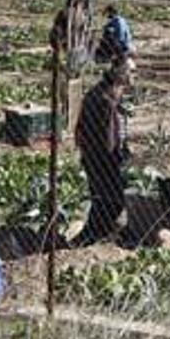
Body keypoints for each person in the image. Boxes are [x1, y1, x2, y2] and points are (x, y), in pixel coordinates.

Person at [72, 66, 132, 246]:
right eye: (132, 72)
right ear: (120, 80)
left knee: (102, 197)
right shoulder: (105, 102)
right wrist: (118, 157)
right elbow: (108, 139)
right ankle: (95, 233)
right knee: (111, 198)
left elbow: (80, 131)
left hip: (93, 157)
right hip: (103, 160)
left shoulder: (96, 94)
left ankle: (98, 232)